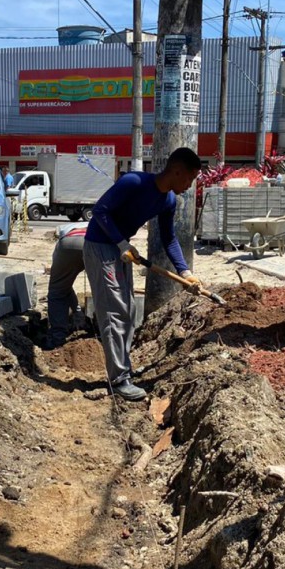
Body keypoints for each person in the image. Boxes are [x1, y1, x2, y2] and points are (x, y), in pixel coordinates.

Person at [83, 147, 203, 401]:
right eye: (189, 179)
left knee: (129, 311)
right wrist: (121, 243)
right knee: (114, 312)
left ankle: (122, 368)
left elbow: (169, 239)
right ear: (177, 171)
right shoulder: (134, 182)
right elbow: (100, 211)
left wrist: (186, 271)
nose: (189, 186)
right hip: (101, 246)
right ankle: (118, 379)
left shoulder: (168, 200)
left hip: (122, 249)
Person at [45, 221, 88, 349]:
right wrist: (78, 311)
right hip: (97, 242)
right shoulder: (96, 221)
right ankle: (109, 338)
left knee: (57, 292)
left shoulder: (64, 232)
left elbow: (63, 287)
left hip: (69, 242)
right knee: (104, 292)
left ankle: (57, 339)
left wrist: (77, 311)